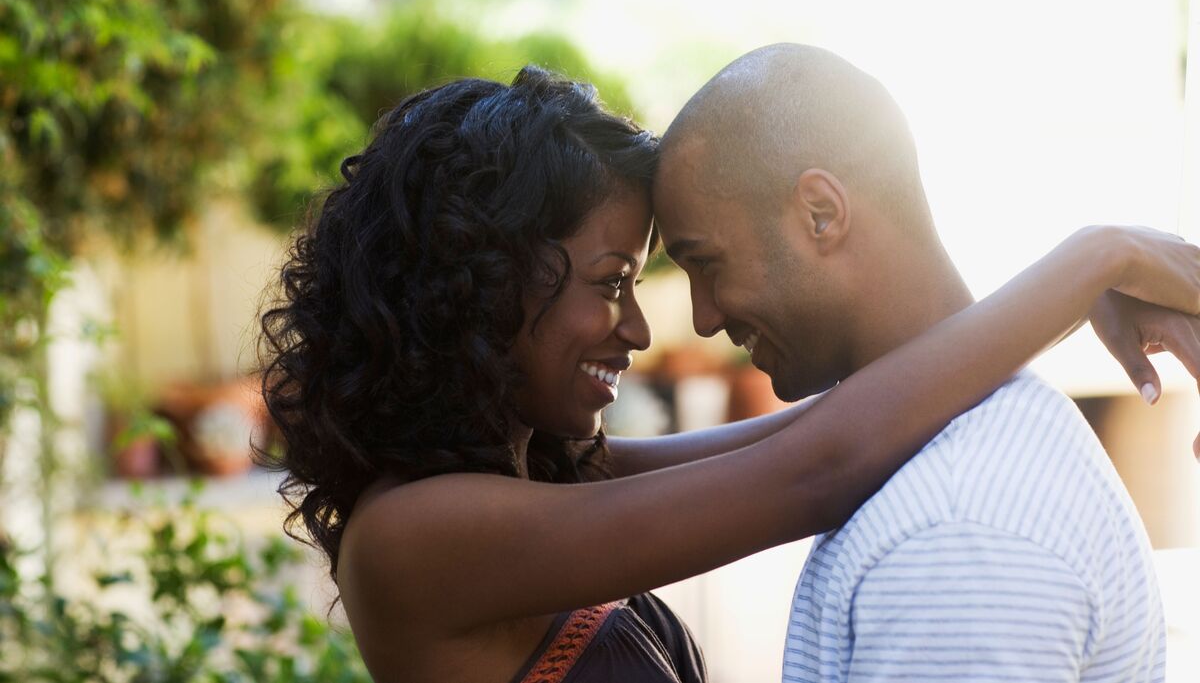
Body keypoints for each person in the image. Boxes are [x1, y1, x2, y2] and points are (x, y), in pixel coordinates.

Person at [259, 65, 1200, 683]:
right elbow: (818, 467)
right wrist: (1095, 260)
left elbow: (820, 430)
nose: (644, 326)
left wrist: (1065, 295)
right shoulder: (416, 537)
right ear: (482, 285)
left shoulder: (542, 475)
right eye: (613, 283)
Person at [653, 44, 1198, 682]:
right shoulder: (948, 470)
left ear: (821, 213)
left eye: (708, 265)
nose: (703, 318)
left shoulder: (954, 535)